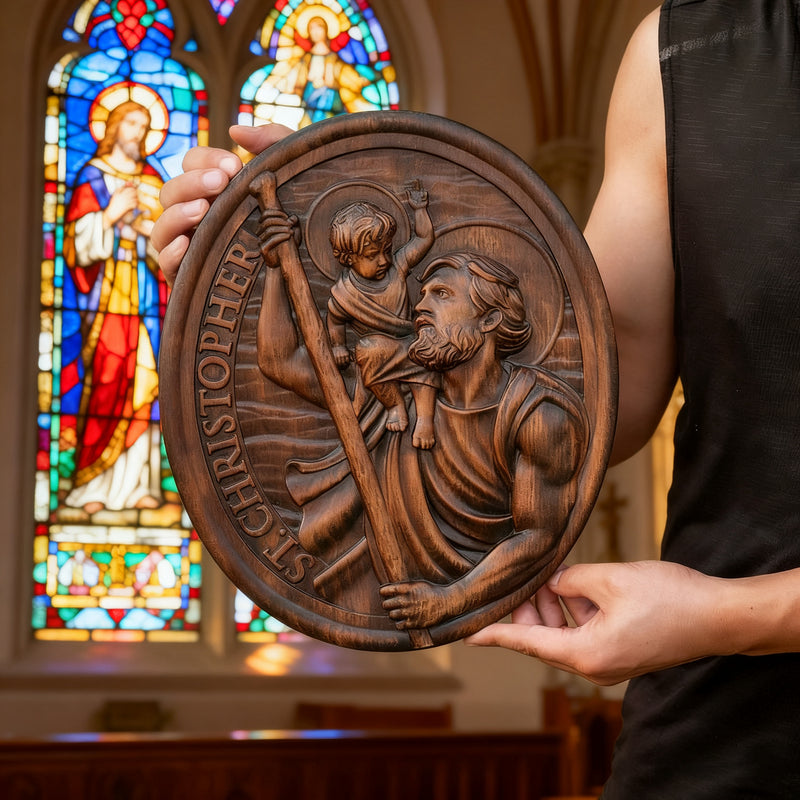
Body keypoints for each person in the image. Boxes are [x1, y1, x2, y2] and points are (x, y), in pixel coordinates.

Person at [151, 1, 800, 794]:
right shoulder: (685, 52)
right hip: (717, 731)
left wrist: (735, 615)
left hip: (706, 633)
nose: (417, 292)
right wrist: (240, 282)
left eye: (440, 290)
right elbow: (600, 376)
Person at [254, 214, 588, 624]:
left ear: (490, 319)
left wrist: (449, 600)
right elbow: (281, 361)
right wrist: (274, 269)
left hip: (455, 596)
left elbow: (538, 534)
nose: (420, 306)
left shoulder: (537, 415)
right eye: (424, 293)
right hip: (370, 589)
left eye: (442, 295)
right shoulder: (389, 378)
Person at [61, 99, 168, 517]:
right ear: (113, 128)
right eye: (132, 125)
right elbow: (76, 243)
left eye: (144, 127)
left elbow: (169, 241)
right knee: (108, 376)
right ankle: (92, 480)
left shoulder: (152, 178)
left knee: (145, 379)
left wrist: (146, 226)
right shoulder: (93, 176)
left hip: (143, 294)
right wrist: (110, 216)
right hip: (107, 298)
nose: (139, 134)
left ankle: (140, 484)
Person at [324, 190, 440, 448]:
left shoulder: (397, 267)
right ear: (348, 257)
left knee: (427, 360)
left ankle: (425, 419)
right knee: (367, 351)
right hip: (379, 351)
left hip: (411, 343)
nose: (384, 260)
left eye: (386, 251)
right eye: (372, 255)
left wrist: (419, 210)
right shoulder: (345, 293)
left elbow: (424, 238)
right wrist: (338, 346)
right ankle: (395, 404)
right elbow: (334, 320)